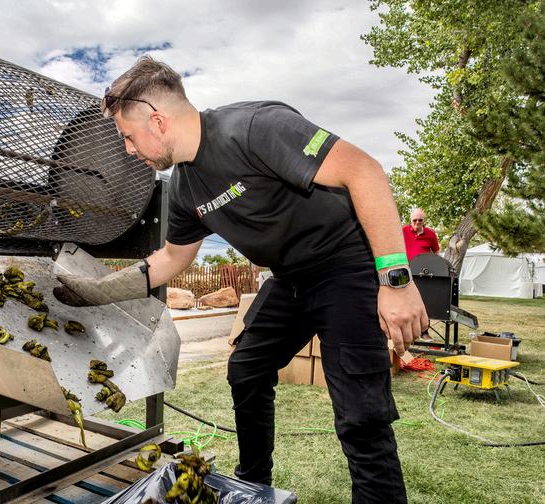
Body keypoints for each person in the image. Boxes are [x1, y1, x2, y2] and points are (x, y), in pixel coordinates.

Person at [53, 56, 428, 504]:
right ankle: (252, 486)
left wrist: (396, 280)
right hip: (289, 278)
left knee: (361, 417)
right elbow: (170, 258)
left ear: (157, 120)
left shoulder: (253, 127)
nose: (130, 150)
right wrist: (95, 291)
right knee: (246, 369)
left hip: (345, 267)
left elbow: (363, 170)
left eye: (128, 137)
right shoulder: (185, 188)